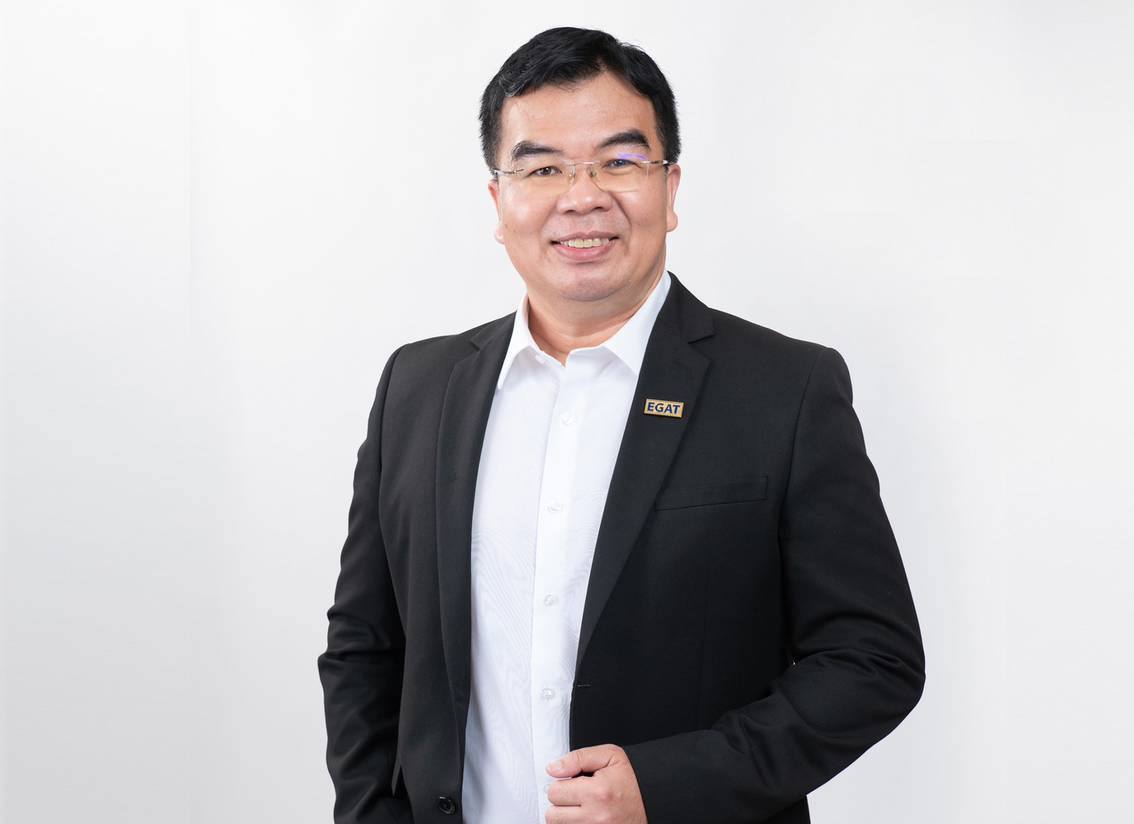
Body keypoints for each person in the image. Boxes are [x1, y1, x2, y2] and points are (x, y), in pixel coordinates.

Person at [318, 26, 925, 824]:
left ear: (670, 189)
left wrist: (668, 785)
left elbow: (872, 659)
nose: (582, 196)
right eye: (543, 168)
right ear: (499, 203)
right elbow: (364, 647)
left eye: (619, 162)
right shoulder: (419, 387)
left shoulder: (785, 389)